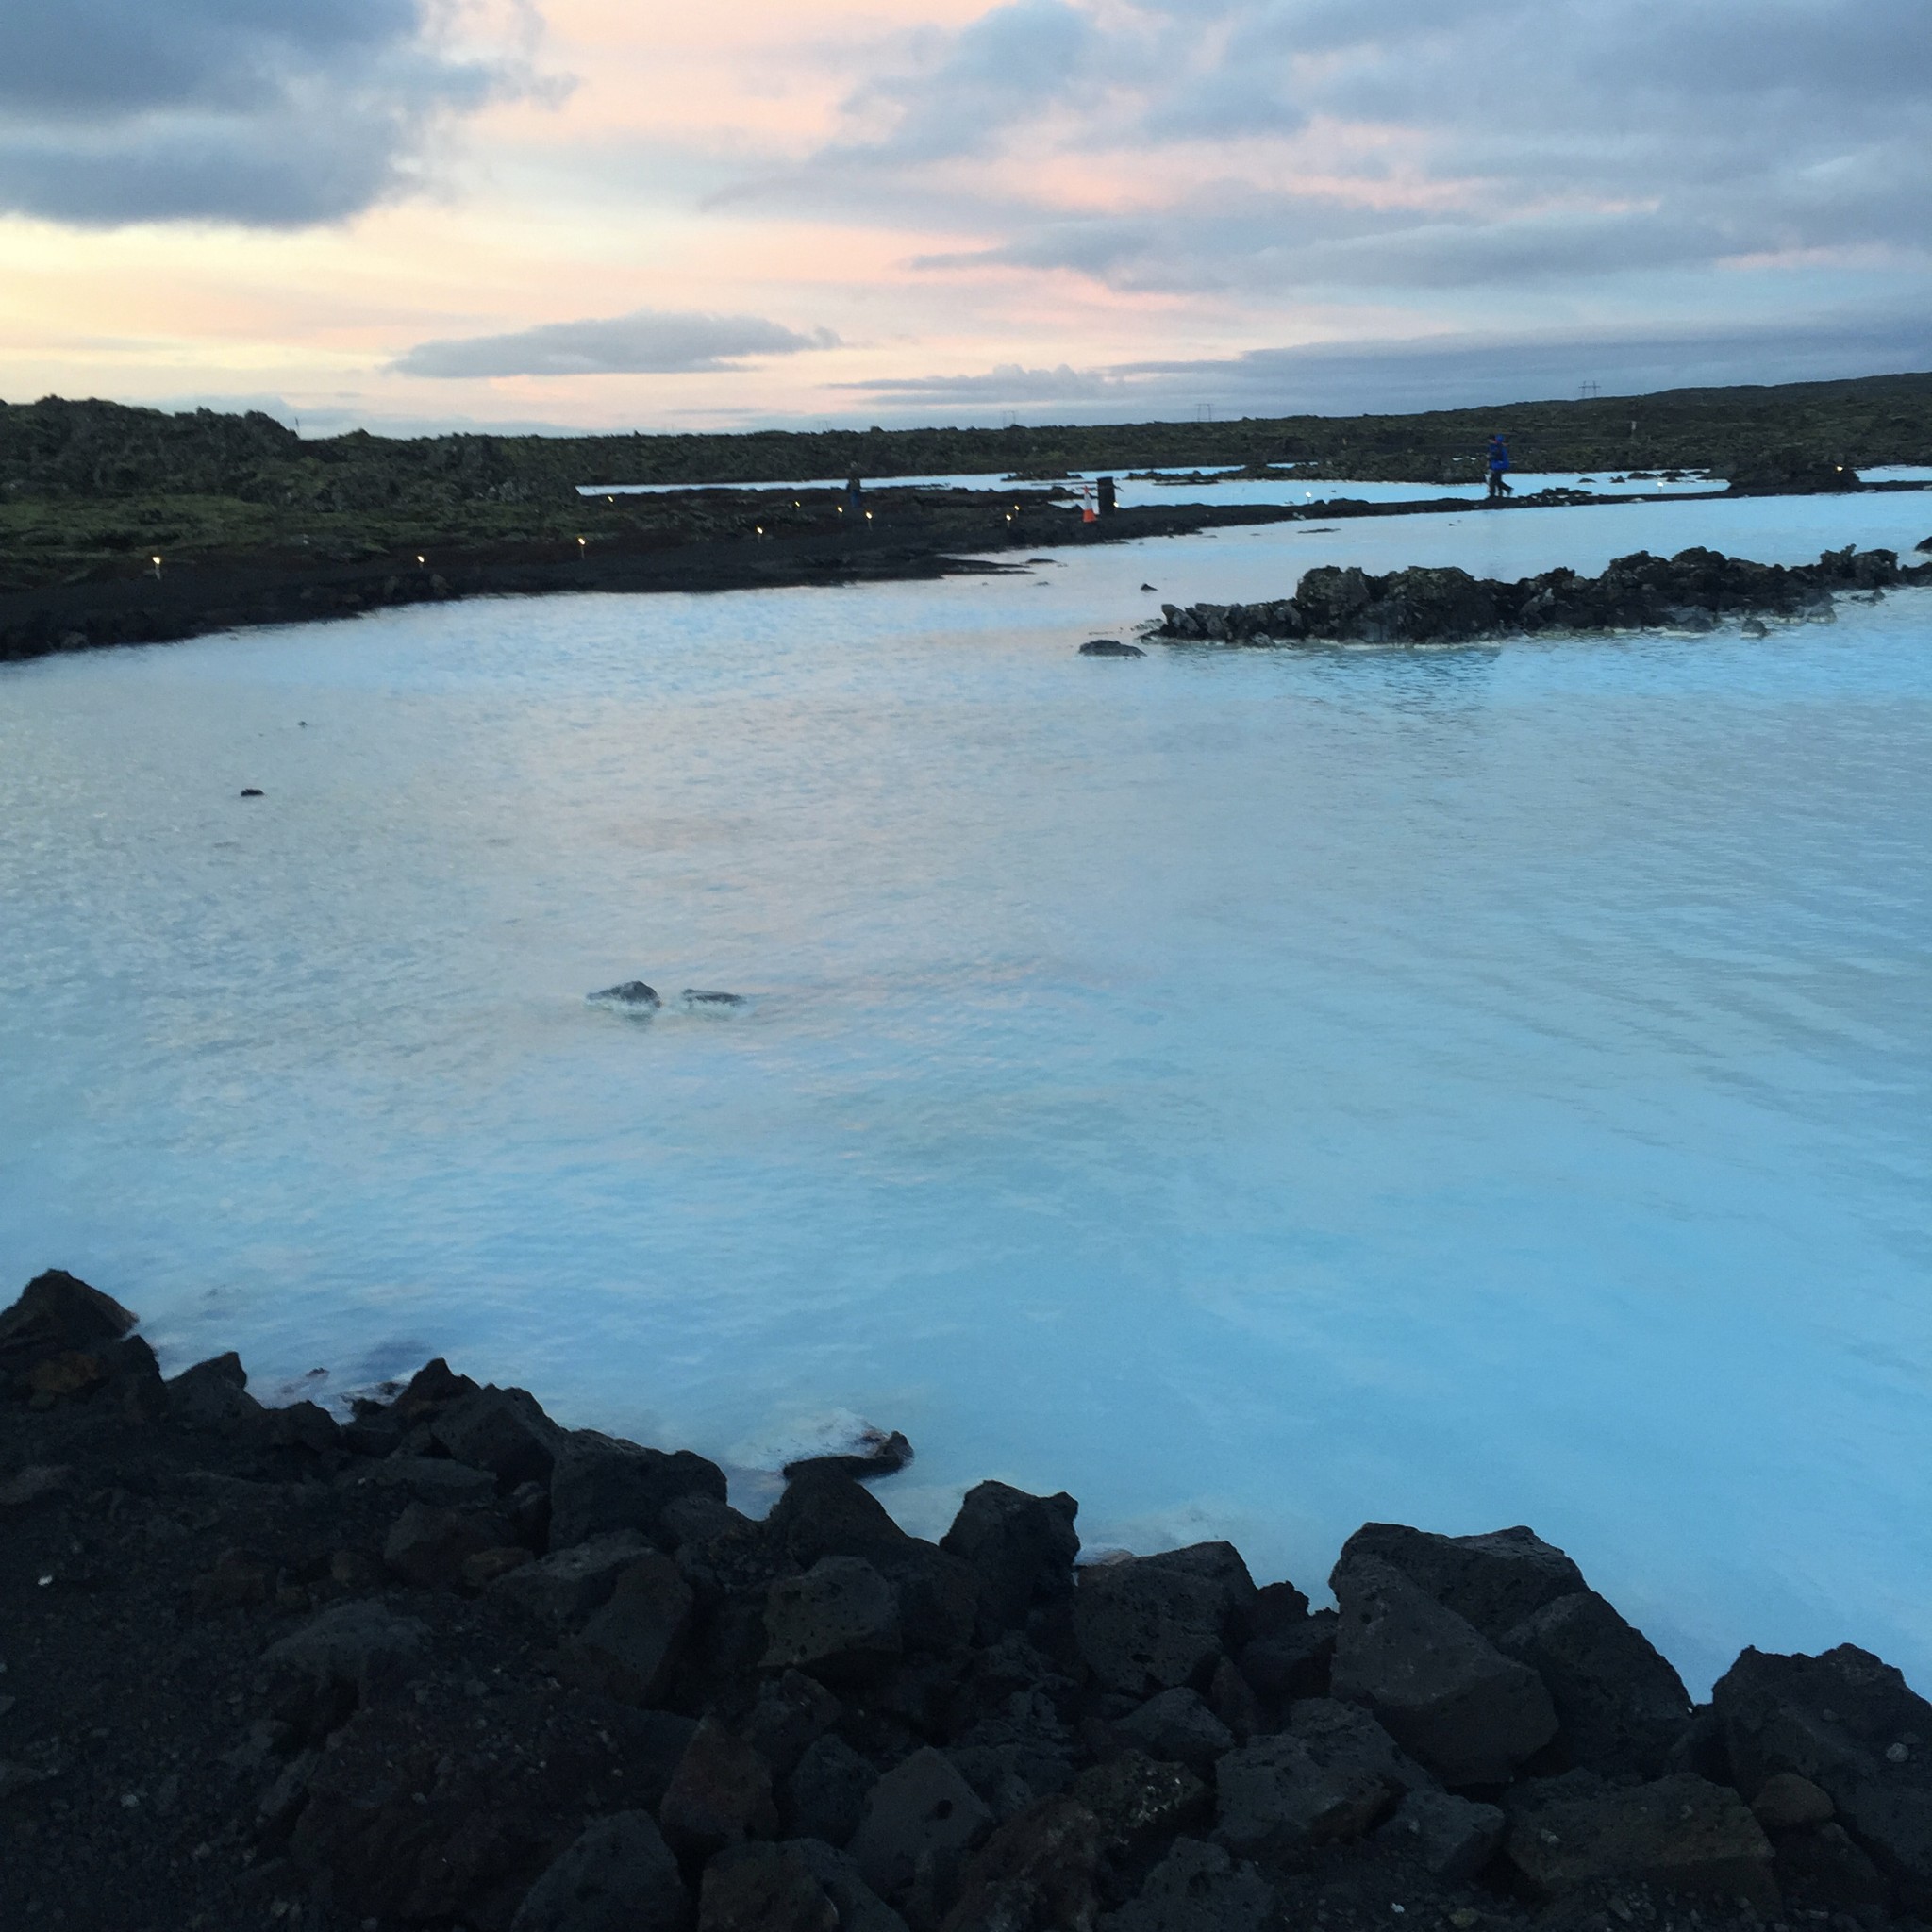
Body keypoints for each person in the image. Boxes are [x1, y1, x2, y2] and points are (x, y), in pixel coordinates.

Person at [1486, 435, 1513, 501]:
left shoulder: (1498, 447)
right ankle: (1501, 492)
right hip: (1496, 465)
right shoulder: (1495, 446)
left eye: (1490, 440)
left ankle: (1493, 494)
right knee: (1497, 480)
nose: (1489, 442)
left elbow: (1498, 456)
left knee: (1493, 480)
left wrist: (1490, 457)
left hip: (1498, 465)